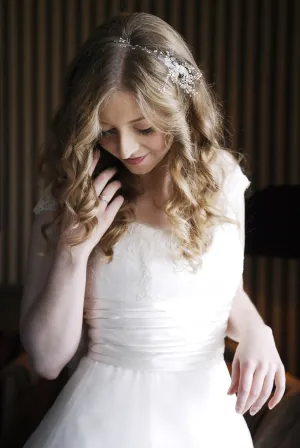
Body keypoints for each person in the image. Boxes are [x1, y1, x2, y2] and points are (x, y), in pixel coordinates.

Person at [20, 12, 285, 447]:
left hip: (206, 421)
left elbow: (214, 287)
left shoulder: (222, 177)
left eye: (143, 128)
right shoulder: (71, 191)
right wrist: (72, 253)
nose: (124, 148)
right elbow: (48, 359)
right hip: (100, 420)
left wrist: (257, 330)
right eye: (106, 130)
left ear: (180, 109)